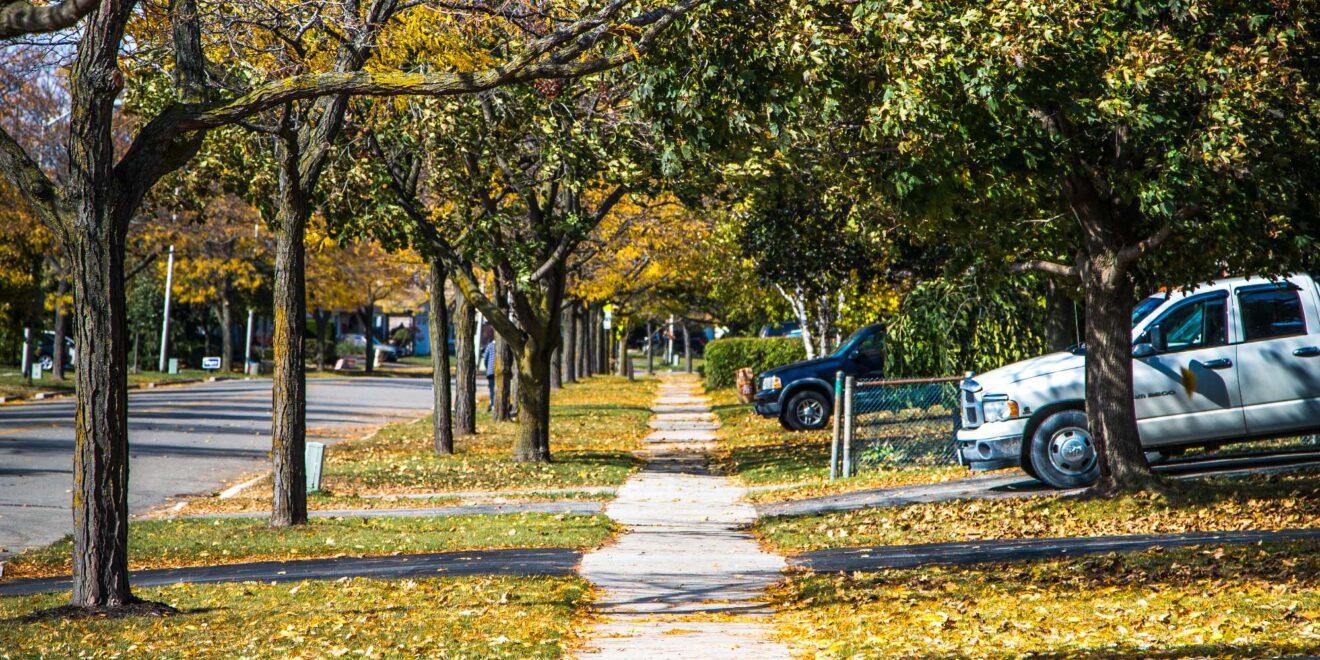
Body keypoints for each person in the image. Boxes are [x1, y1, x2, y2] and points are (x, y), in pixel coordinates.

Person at [483, 339, 497, 412]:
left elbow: (485, 358)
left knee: (492, 389)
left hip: (490, 371)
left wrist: (487, 367)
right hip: (500, 371)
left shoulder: (489, 346)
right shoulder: (503, 346)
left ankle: (492, 404)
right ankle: (497, 403)